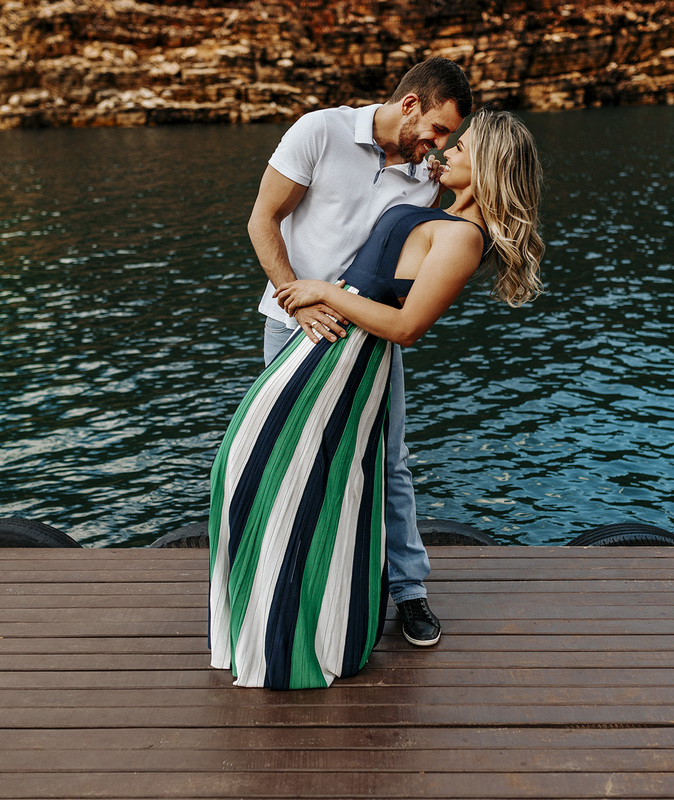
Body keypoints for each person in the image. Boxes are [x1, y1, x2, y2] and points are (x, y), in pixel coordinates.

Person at [209, 109, 545, 689]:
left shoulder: (465, 237)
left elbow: (407, 326)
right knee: (255, 469)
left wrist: (322, 290)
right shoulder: (440, 205)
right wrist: (434, 175)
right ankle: (263, 617)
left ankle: (315, 622)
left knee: (300, 475)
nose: (446, 150)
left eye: (461, 147)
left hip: (345, 353)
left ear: (488, 167)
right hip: (320, 341)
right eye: (446, 138)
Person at [245, 58, 473, 648]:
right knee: (292, 458)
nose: (438, 144)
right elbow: (263, 219)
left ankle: (409, 589)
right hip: (293, 328)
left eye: (449, 138)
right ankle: (288, 586)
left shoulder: (429, 175)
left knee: (388, 460)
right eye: (438, 129)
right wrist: (296, 301)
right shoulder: (320, 131)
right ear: (410, 104)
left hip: (371, 337)